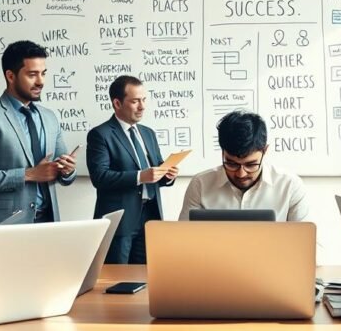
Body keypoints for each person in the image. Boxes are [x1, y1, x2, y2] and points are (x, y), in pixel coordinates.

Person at [0, 41, 78, 223]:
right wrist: (29, 174)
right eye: (32, 74)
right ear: (10, 75)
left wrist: (67, 171)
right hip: (5, 224)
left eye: (43, 73)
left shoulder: (49, 118)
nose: (40, 81)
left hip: (49, 222)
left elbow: (62, 173)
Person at [86, 75, 177, 264]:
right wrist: (139, 176)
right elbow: (100, 177)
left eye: (144, 100)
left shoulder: (148, 133)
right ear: (117, 103)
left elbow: (156, 170)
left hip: (150, 218)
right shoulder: (100, 134)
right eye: (135, 101)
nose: (142, 106)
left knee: (146, 277)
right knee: (117, 279)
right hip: (121, 222)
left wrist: (167, 175)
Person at [180, 110, 309, 222]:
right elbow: (183, 239)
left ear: (265, 151)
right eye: (231, 164)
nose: (241, 174)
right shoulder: (200, 185)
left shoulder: (290, 186)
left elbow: (307, 243)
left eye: (251, 165)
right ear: (222, 151)